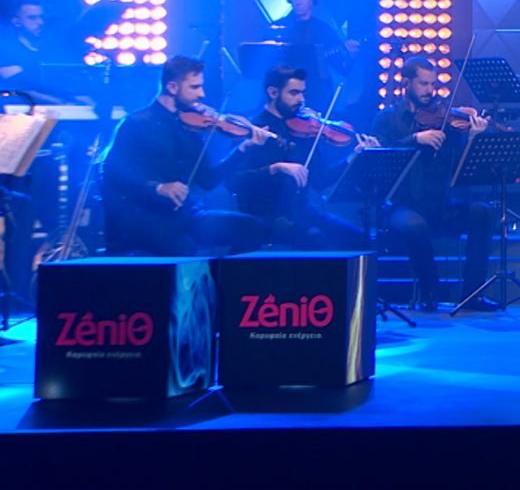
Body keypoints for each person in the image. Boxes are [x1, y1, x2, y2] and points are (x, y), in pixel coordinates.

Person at [100, 56, 269, 256]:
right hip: (145, 215)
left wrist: (244, 148)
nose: (202, 94)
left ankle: (224, 275)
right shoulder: (136, 123)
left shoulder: (191, 126)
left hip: (187, 215)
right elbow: (110, 171)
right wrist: (158, 187)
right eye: (195, 87)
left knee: (253, 228)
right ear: (172, 87)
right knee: (183, 247)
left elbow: (208, 180)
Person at [371, 57, 496, 312]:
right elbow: (380, 158)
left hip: (440, 205)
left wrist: (472, 138)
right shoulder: (386, 119)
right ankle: (430, 289)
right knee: (414, 225)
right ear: (407, 82)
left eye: (433, 84)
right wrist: (415, 138)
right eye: (423, 84)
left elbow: (460, 168)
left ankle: (473, 293)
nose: (430, 90)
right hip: (401, 206)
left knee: (482, 212)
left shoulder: (446, 120)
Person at [225, 65, 371, 250]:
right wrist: (275, 168)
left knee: (359, 238)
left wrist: (353, 156)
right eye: (294, 93)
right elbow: (233, 182)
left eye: (302, 93)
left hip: (300, 209)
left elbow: (320, 180)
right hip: (266, 214)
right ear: (273, 92)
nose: (301, 99)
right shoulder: (254, 129)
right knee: (315, 239)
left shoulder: (305, 129)